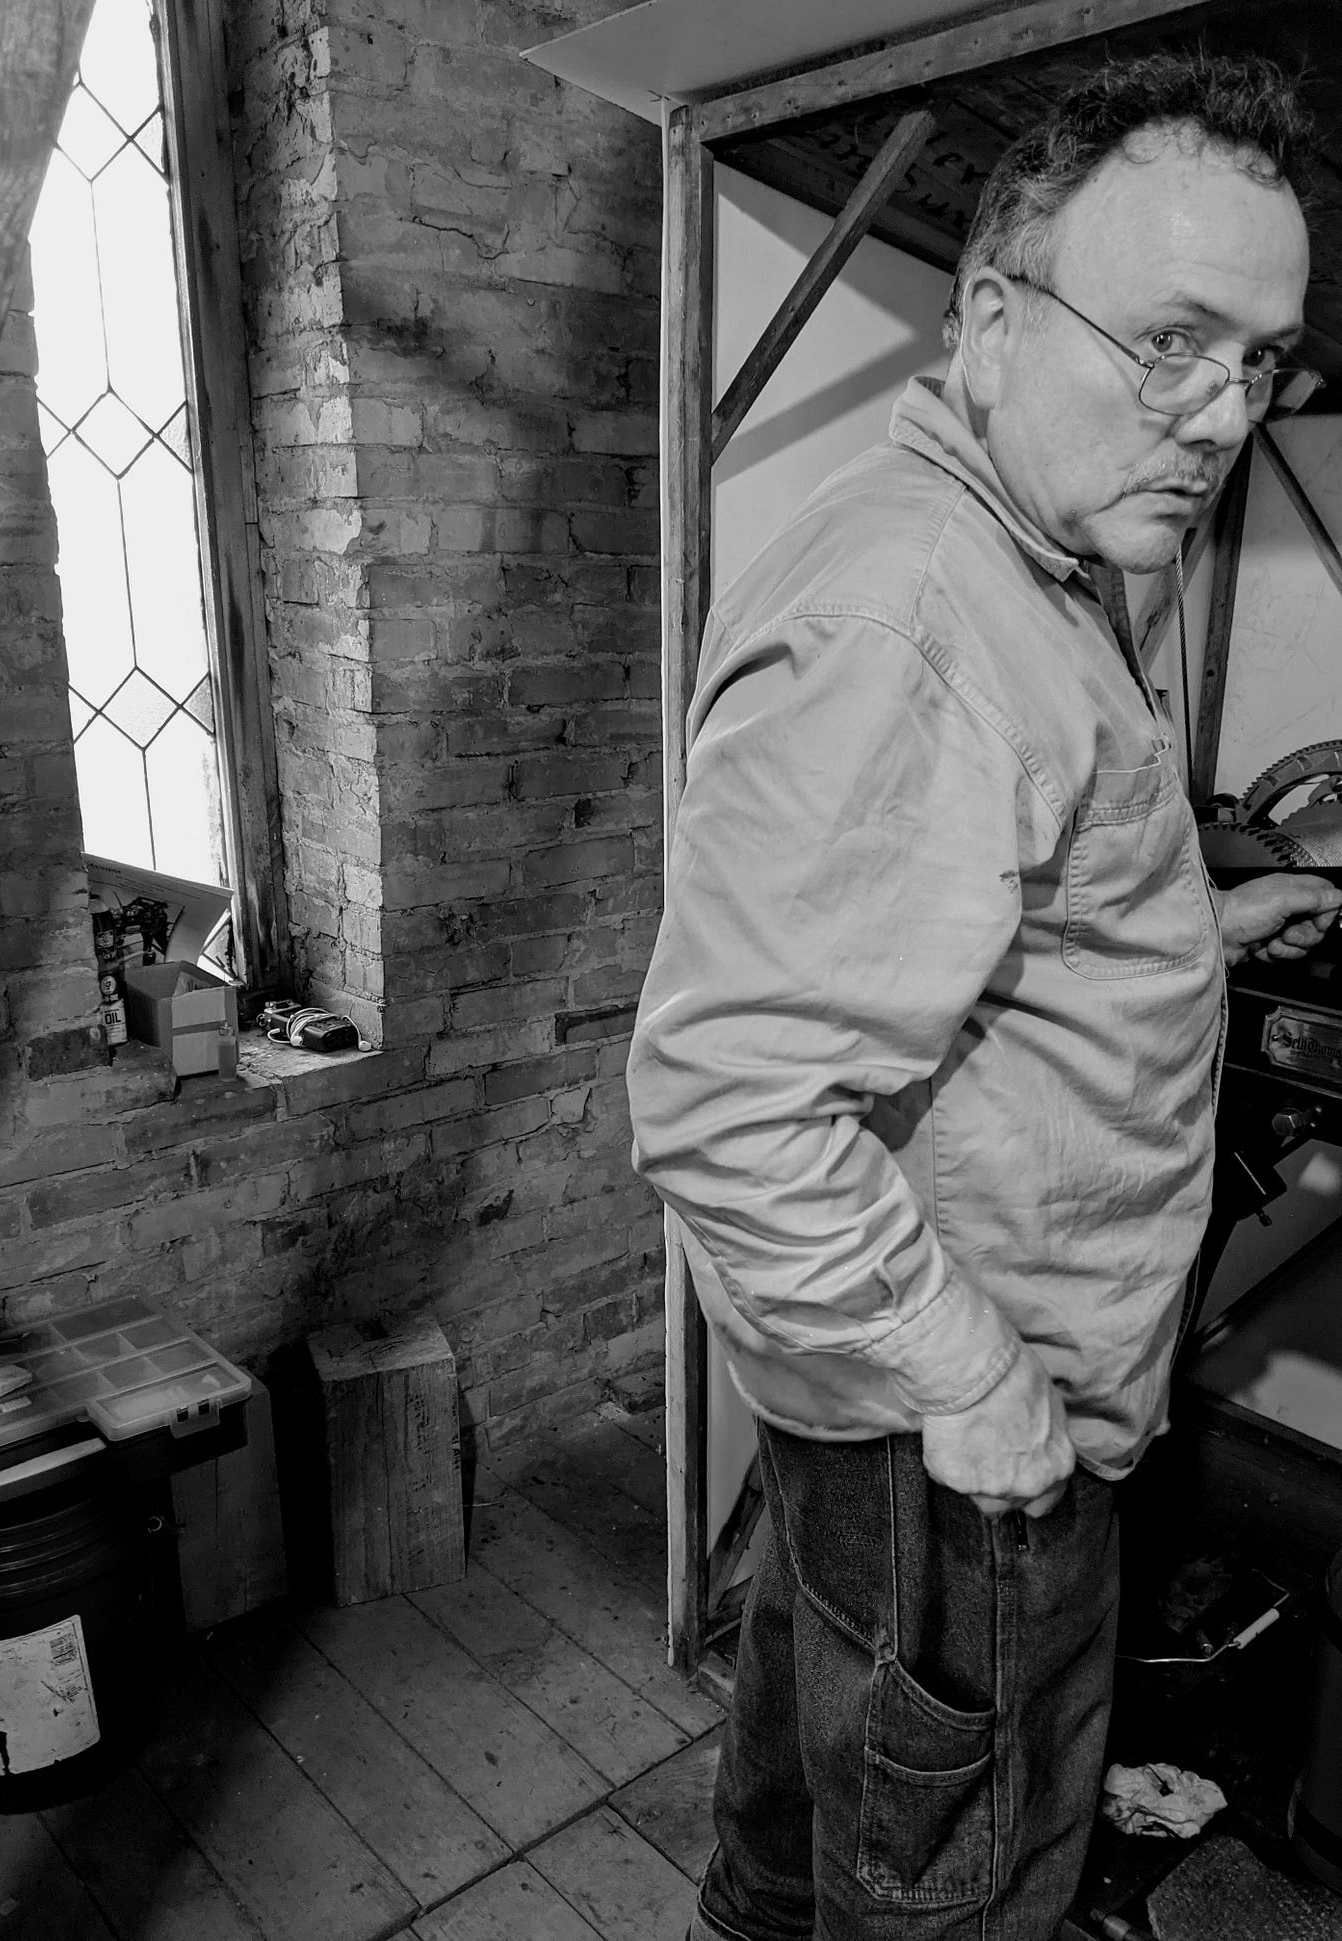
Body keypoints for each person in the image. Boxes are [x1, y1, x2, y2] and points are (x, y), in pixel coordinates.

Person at [626, 49, 1342, 1941]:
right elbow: (726, 1107)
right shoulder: (924, 618)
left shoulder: (1025, 555)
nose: (1220, 414)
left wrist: (1195, 924)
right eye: (1170, 341)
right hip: (963, 1429)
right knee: (955, 1890)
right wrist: (978, 1387)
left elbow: (982, 907)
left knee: (808, 1819)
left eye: (1259, 362)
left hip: (889, 1415)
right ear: (1000, 320)